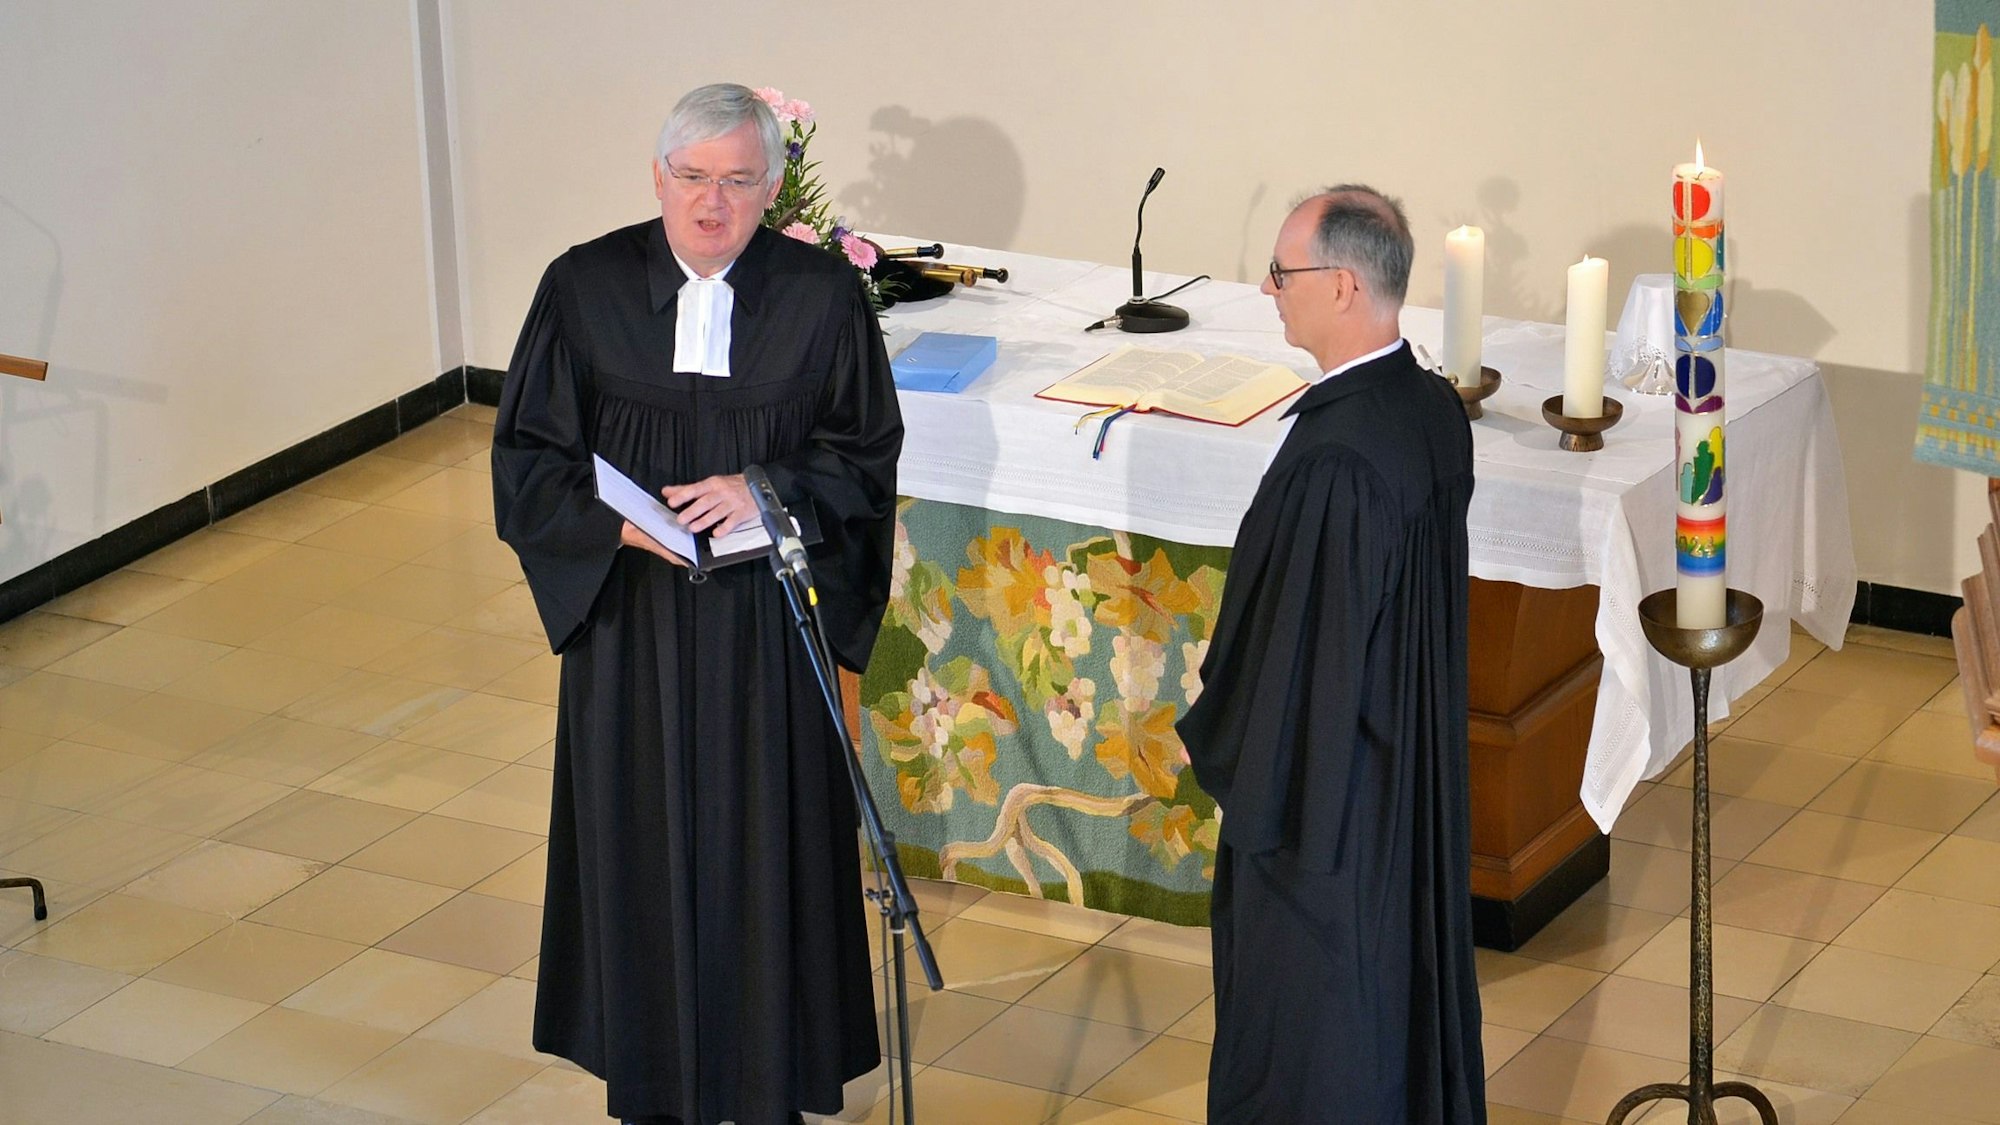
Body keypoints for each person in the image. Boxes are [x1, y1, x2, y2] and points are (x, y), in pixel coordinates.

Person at [491, 83, 902, 1125]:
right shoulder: (582, 287)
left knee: (766, 849)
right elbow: (528, 456)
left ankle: (767, 1080)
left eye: (737, 182)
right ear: (657, 177)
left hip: (767, 629)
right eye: (692, 178)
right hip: (631, 626)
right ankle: (655, 1083)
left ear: (772, 190)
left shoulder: (820, 297)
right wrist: (615, 524)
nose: (711, 204)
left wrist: (767, 489)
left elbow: (863, 453)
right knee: (642, 844)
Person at [1174, 186, 1485, 1123]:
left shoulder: (1337, 459)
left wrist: (1233, 747)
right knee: (1398, 1000)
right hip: (1408, 773)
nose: (1268, 288)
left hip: (1328, 816)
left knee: (1319, 1031)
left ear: (1344, 285)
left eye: (1282, 272)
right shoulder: (1428, 403)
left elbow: (1298, 662)